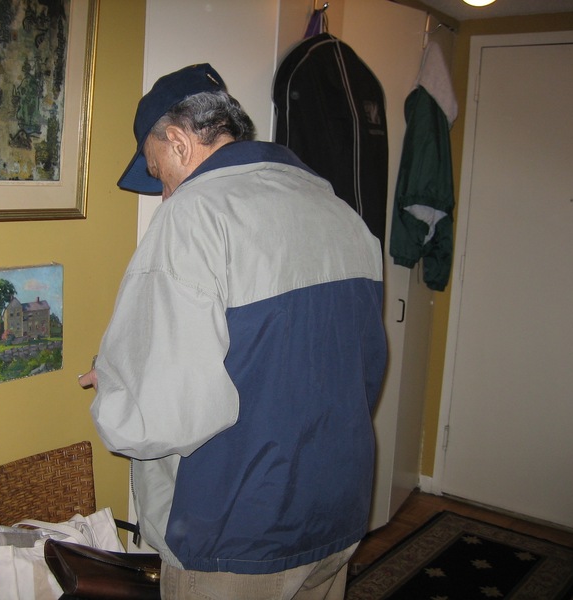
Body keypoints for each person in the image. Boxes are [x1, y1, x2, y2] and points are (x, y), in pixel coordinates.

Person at [78, 63, 387, 599]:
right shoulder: (341, 213)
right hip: (337, 509)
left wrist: (118, 384)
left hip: (239, 532)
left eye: (157, 173)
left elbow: (162, 413)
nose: (165, 195)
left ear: (177, 142)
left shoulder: (194, 216)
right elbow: (362, 373)